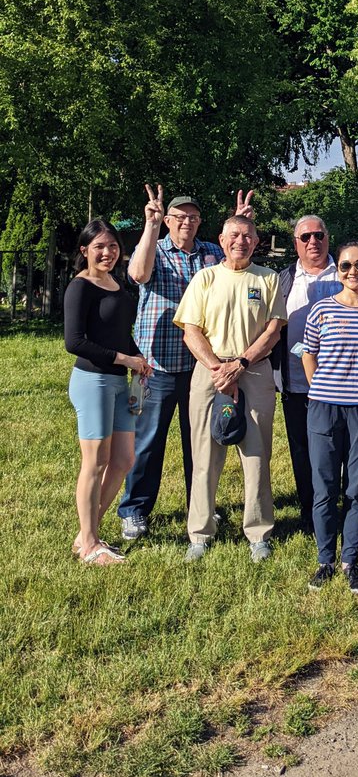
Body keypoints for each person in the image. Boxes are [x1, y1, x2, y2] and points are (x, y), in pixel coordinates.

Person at [117, 184, 255, 541]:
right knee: (146, 443)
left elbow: (236, 256)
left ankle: (202, 506)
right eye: (179, 217)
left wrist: (240, 222)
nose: (186, 222)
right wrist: (150, 226)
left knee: (201, 444)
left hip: (201, 367)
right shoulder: (154, 248)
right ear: (167, 220)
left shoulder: (211, 252)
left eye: (193, 217)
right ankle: (134, 510)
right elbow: (138, 275)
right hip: (153, 367)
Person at [173, 215, 286, 563]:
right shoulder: (205, 278)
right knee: (204, 456)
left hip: (254, 370)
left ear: (256, 242)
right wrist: (218, 368)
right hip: (210, 372)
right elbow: (191, 330)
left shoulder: (267, 278)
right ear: (221, 240)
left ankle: (258, 532)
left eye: (248, 235)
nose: (241, 241)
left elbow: (273, 331)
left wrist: (240, 364)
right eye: (234, 235)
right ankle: (200, 532)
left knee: (256, 455)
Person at [302, 241, 358, 592]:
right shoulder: (321, 310)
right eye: (345, 266)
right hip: (324, 409)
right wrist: (321, 388)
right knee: (324, 487)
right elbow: (309, 354)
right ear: (337, 271)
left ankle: (349, 559)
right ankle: (324, 559)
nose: (353, 272)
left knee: (357, 488)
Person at [64, 219, 152, 566]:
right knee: (95, 461)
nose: (107, 252)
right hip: (93, 382)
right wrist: (124, 358)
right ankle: (89, 545)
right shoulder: (80, 287)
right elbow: (75, 342)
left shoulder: (117, 284)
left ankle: (87, 533)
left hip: (119, 383)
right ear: (84, 250)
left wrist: (137, 358)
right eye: (99, 246)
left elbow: (118, 333)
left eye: (112, 246)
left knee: (123, 460)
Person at [277, 215, 341, 533]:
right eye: (305, 237)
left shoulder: (346, 271)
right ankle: (309, 509)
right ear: (296, 244)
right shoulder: (283, 279)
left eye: (318, 234)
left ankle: (353, 506)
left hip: (342, 380)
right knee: (301, 448)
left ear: (328, 237)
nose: (313, 241)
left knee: (344, 447)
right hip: (297, 382)